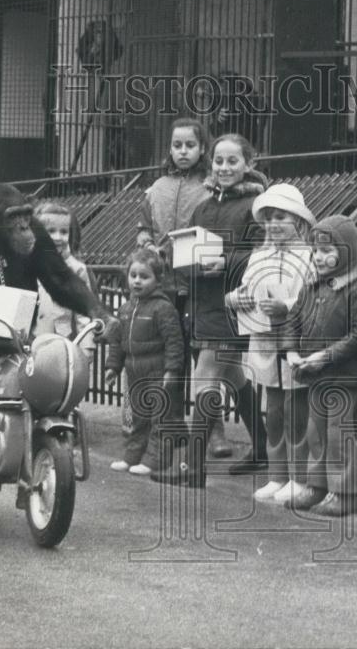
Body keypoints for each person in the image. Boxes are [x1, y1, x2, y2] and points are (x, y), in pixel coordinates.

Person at [152, 133, 269, 487]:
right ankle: (262, 449)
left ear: (249, 164)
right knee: (233, 377)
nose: (223, 168)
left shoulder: (256, 206)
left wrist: (225, 262)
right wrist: (182, 259)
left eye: (233, 161)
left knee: (204, 378)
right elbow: (194, 249)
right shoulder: (204, 207)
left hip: (233, 306)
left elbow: (263, 252)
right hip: (204, 303)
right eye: (218, 161)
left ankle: (192, 467)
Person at [135, 117, 233, 458]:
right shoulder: (156, 188)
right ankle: (171, 426)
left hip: (198, 285)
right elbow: (143, 227)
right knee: (171, 358)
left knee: (203, 357)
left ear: (202, 148)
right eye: (176, 145)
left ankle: (214, 429)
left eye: (190, 145)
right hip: (165, 286)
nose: (182, 151)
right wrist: (147, 244)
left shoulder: (210, 188)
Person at [226, 184, 315, 505]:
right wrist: (237, 298)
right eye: (270, 219)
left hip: (295, 343)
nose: (275, 224)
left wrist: (288, 305)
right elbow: (242, 291)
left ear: (298, 221)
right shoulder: (259, 256)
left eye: (282, 217)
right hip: (264, 342)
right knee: (273, 411)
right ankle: (277, 475)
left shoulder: (309, 257)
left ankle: (298, 476)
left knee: (296, 411)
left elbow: (314, 299)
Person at [284, 215, 357, 516]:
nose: (319, 258)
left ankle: (346, 492)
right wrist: (290, 352)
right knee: (316, 433)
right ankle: (318, 485)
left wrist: (324, 356)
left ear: (347, 251)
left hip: (342, 378)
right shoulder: (310, 288)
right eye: (316, 251)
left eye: (328, 251)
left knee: (339, 435)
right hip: (315, 377)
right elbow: (292, 321)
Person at [105, 249, 185, 476]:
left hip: (157, 371)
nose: (137, 281)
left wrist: (171, 370)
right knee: (138, 417)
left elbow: (174, 341)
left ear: (158, 280)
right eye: (133, 275)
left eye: (144, 276)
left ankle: (155, 460)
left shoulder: (163, 308)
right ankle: (132, 456)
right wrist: (113, 367)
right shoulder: (125, 309)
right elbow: (117, 341)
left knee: (160, 417)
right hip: (134, 371)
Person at [33, 201, 96, 357]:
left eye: (64, 232)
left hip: (62, 338)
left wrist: (87, 345)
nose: (58, 237)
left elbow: (84, 311)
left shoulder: (76, 269)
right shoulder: (28, 263)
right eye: (51, 231)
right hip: (32, 338)